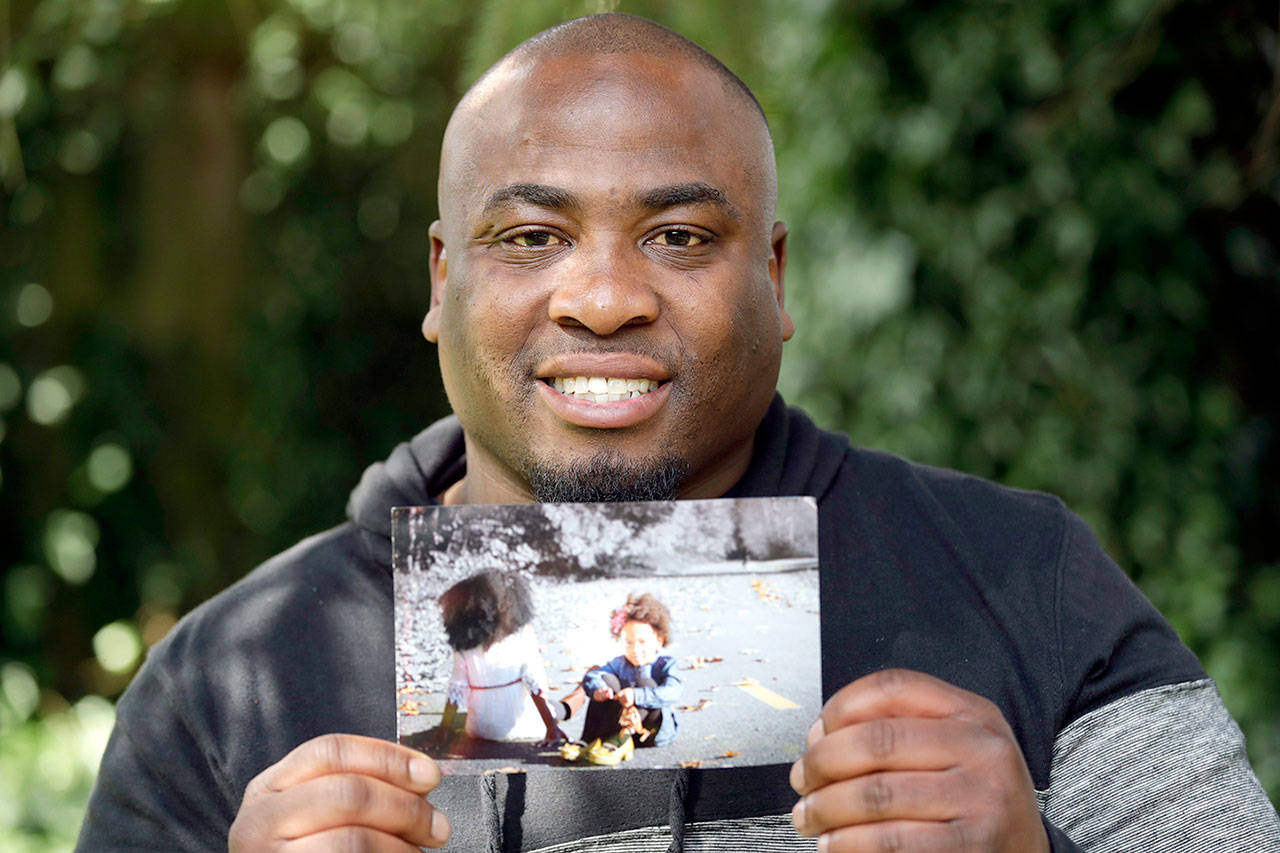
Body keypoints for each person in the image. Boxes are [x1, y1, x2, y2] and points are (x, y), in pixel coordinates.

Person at [77, 12, 1280, 853]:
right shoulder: (224, 685)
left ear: (772, 274)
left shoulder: (1023, 580)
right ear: (441, 281)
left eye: (679, 237)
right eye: (532, 237)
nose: (601, 298)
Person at [434, 571, 563, 746]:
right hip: (523, 728)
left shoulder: (464, 644)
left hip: (478, 730)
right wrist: (552, 729)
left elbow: (455, 690)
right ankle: (580, 693)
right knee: (560, 707)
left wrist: (442, 733)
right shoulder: (522, 634)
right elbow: (535, 684)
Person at [560, 593, 682, 765]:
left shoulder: (665, 664)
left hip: (648, 731)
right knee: (606, 679)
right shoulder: (620, 663)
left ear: (658, 640)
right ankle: (587, 739)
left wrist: (637, 695)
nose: (636, 649)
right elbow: (593, 675)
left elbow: (673, 692)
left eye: (642, 642)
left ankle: (618, 740)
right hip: (618, 721)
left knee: (646, 683)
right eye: (629, 643)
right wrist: (598, 690)